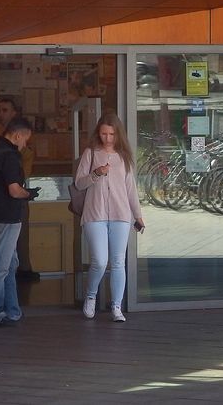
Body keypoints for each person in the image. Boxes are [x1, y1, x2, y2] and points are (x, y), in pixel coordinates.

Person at [74, 113, 144, 322]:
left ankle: (116, 306)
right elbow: (79, 184)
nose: (108, 138)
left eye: (112, 134)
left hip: (121, 214)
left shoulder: (124, 157)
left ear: (118, 134)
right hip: (94, 213)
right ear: (98, 133)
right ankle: (91, 296)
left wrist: (138, 216)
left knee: (118, 262)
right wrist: (96, 173)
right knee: (100, 261)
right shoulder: (90, 153)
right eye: (104, 133)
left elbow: (131, 189)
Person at [0, 117, 40, 326]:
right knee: (0, 267)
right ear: (18, 135)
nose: (25, 145)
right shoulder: (10, 156)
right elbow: (14, 190)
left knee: (10, 263)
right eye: (25, 140)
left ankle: (12, 310)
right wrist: (28, 194)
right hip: (8, 216)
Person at [0, 97, 38, 282]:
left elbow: (23, 174)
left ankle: (24, 269)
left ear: (14, 113)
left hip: (17, 194)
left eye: (5, 110)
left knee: (21, 237)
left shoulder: (23, 147)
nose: (1, 113)